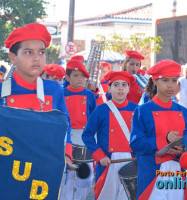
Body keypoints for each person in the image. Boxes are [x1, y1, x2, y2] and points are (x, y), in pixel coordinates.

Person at [3, 23, 72, 167]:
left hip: (45, 168)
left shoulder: (53, 89)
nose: (37, 58)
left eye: (41, 52)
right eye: (28, 52)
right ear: (13, 57)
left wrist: (66, 154)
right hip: (6, 170)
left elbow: (64, 125)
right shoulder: (2, 91)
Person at [130, 60, 187, 200]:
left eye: (174, 80)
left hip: (177, 171)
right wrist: (164, 139)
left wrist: (184, 150)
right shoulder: (143, 110)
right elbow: (136, 143)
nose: (170, 85)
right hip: (152, 171)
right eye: (165, 80)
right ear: (155, 81)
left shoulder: (184, 112)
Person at [82, 71, 138, 200]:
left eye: (124, 85)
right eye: (116, 84)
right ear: (109, 88)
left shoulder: (137, 109)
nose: (120, 88)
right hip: (108, 162)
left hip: (132, 161)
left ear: (129, 88)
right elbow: (87, 135)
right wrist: (99, 155)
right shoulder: (101, 109)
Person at [60, 59, 96, 200]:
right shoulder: (61, 93)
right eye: (76, 75)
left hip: (83, 137)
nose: (80, 78)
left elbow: (92, 116)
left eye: (82, 75)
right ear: (67, 77)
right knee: (67, 176)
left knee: (86, 177)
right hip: (66, 136)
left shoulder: (89, 95)